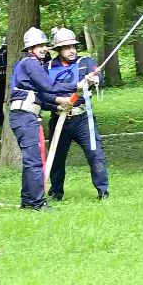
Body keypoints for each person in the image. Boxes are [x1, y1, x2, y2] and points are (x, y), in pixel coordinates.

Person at [7, 28, 73, 212]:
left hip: (26, 116)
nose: (44, 48)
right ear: (30, 48)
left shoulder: (31, 65)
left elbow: (42, 97)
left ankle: (28, 201)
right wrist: (77, 85)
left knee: (31, 161)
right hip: (24, 116)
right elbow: (49, 86)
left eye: (44, 45)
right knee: (34, 161)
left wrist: (57, 105)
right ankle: (38, 203)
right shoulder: (30, 63)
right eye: (39, 46)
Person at [46, 28, 108, 202]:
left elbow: (99, 76)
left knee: (95, 154)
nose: (72, 50)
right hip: (59, 118)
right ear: (59, 50)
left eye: (73, 46)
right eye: (67, 48)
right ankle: (56, 193)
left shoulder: (85, 62)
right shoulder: (48, 67)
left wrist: (94, 79)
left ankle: (103, 192)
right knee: (57, 158)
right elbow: (44, 93)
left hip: (82, 118)